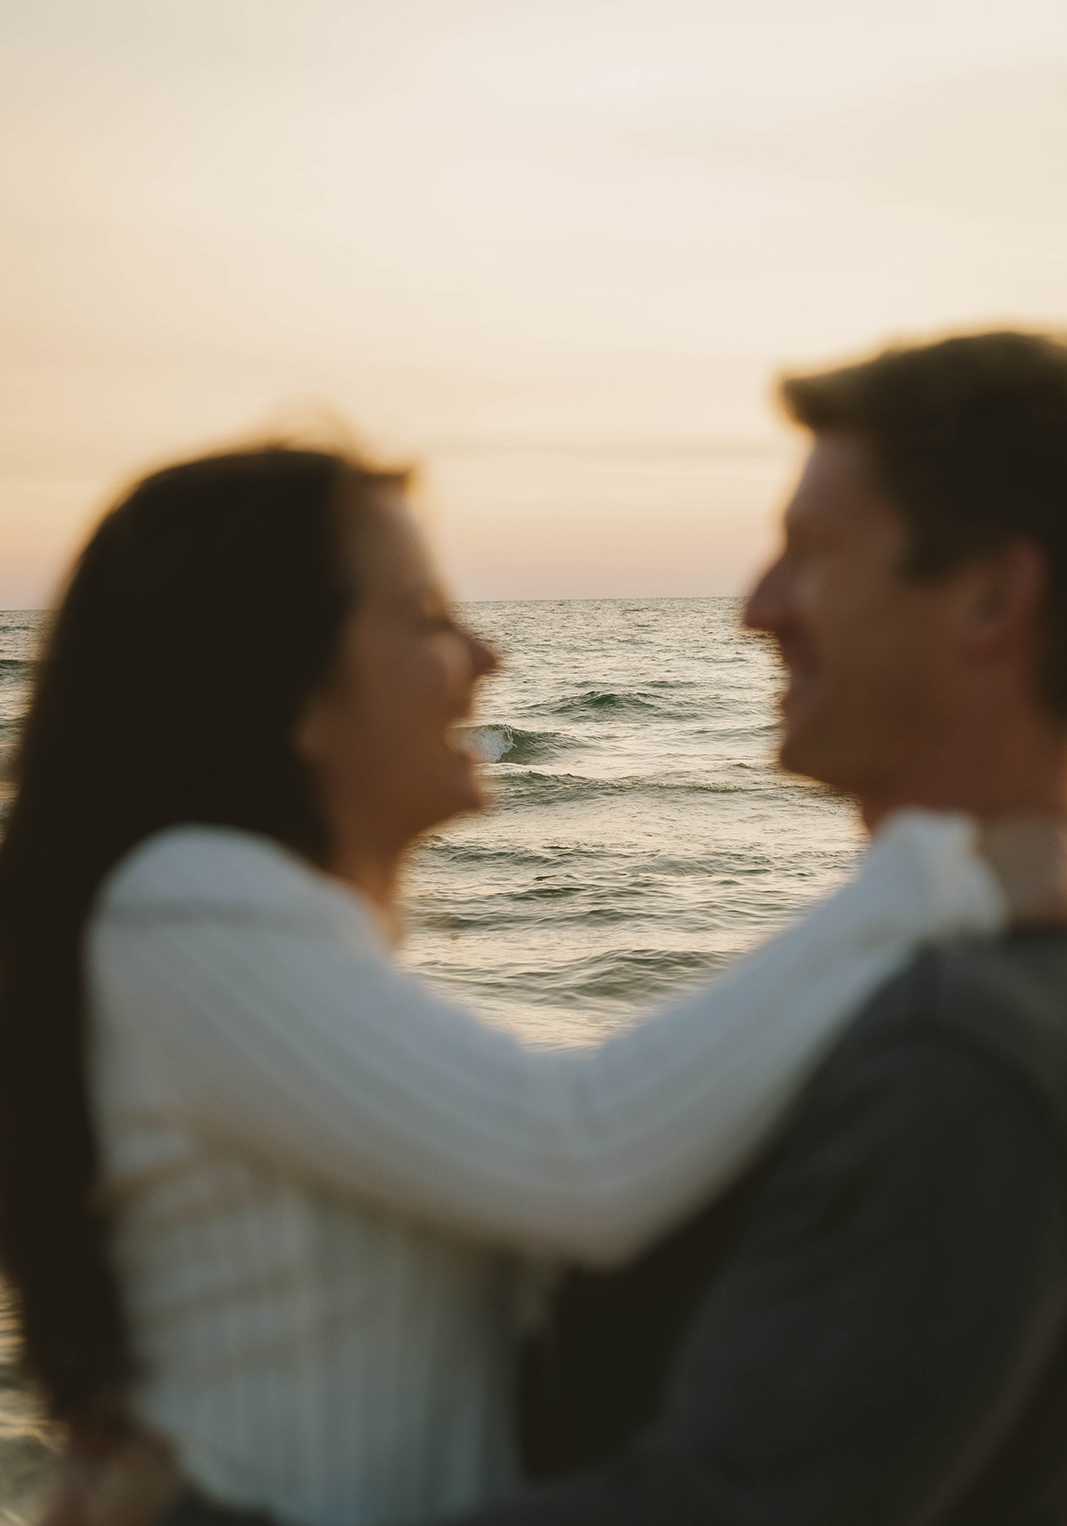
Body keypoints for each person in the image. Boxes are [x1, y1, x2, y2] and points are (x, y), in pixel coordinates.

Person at [0, 436, 1050, 1526]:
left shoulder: (286, 940)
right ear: (290, 697)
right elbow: (579, 1155)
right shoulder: (191, 901)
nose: (485, 655)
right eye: (425, 619)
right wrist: (939, 873)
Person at [441, 328, 1067, 1526]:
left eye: (815, 552)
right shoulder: (957, 990)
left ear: (992, 595)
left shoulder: (955, 1051)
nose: (754, 608)